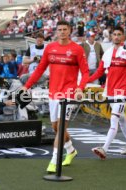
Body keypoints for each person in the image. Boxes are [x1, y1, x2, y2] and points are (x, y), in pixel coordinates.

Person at [21, 20, 89, 173]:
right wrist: (26, 86)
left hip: (69, 93)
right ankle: (71, 150)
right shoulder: (50, 48)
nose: (62, 32)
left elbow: (85, 72)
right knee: (55, 127)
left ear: (70, 31)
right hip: (53, 92)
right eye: (60, 29)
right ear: (56, 31)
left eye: (65, 29)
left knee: (61, 127)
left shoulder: (77, 49)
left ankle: (54, 160)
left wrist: (80, 88)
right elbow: (39, 70)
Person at [89, 26, 126, 159]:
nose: (117, 37)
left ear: (123, 37)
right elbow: (99, 71)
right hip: (110, 90)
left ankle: (104, 148)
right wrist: (84, 81)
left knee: (114, 119)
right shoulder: (107, 52)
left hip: (122, 91)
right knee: (121, 118)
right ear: (111, 36)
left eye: (119, 34)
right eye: (114, 34)